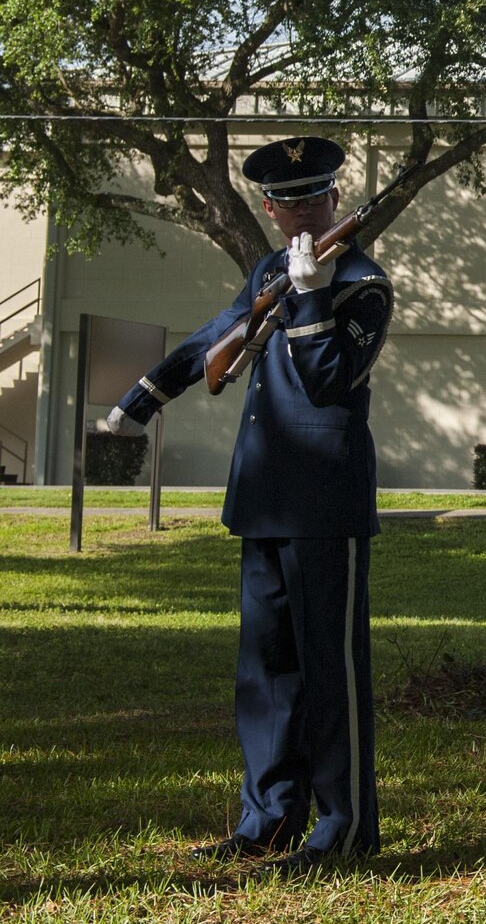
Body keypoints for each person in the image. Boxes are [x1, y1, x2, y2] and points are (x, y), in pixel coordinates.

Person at [101, 137, 393, 873]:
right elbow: (217, 337)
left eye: (315, 197)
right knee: (266, 671)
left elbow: (328, 379)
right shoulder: (269, 269)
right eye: (288, 202)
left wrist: (313, 293)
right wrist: (145, 395)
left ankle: (345, 827)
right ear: (268, 209)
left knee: (331, 670)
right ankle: (269, 817)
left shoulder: (362, 283)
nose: (302, 212)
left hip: (325, 500)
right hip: (263, 495)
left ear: (335, 198)